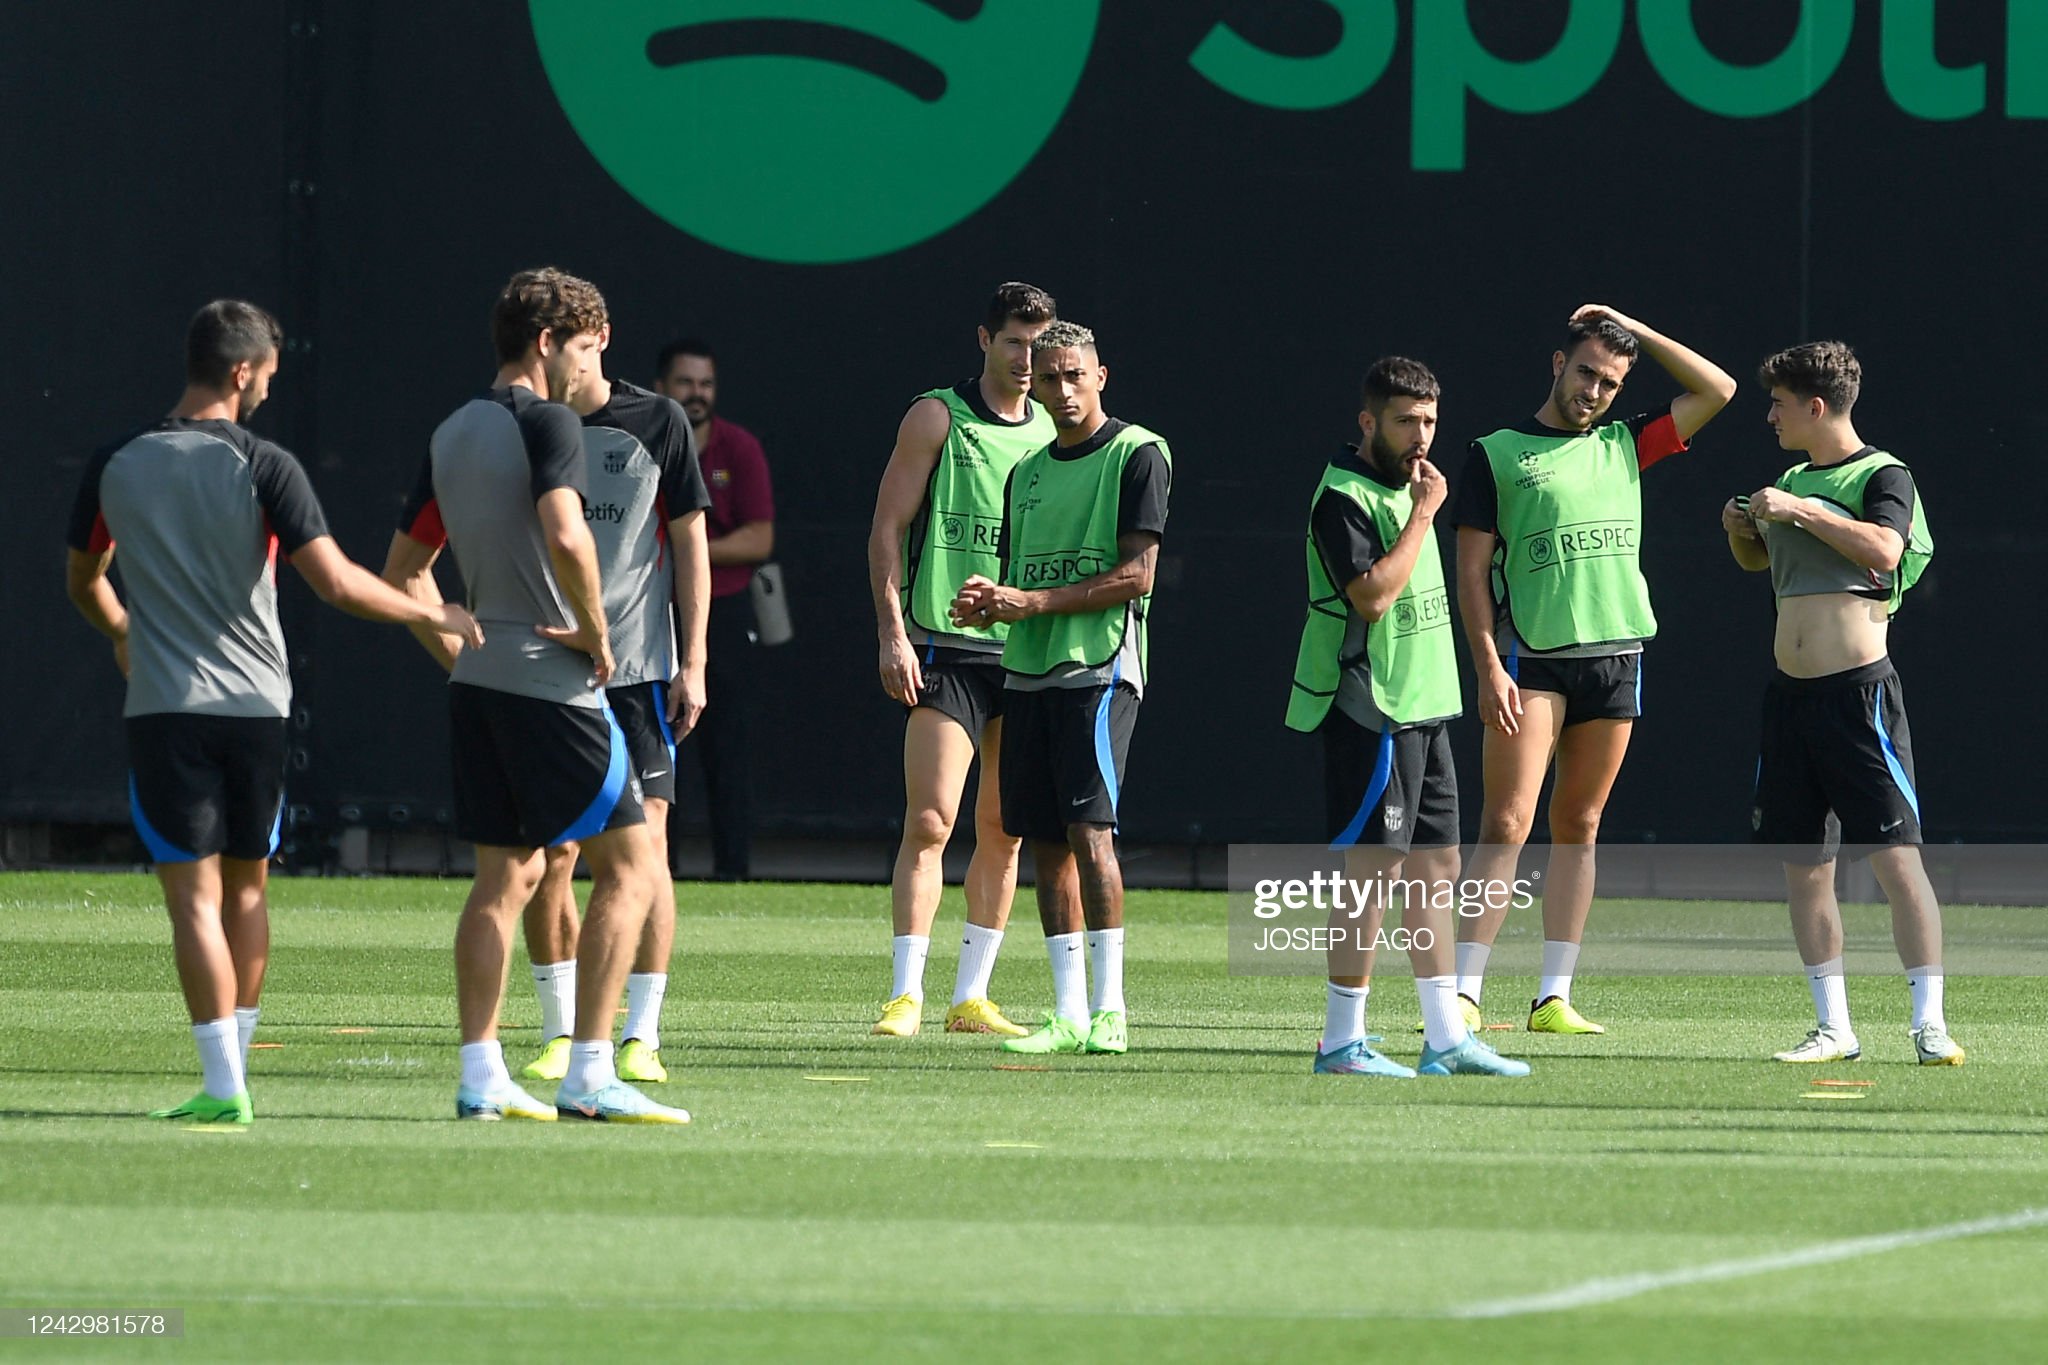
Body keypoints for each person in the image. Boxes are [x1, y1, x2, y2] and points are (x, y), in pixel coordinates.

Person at [64, 299, 483, 1125]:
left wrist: (123, 634)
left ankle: (224, 1086)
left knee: (192, 900)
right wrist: (432, 612)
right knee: (248, 891)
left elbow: (84, 580)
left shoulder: (116, 461)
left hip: (165, 707)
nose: (266, 393)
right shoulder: (265, 464)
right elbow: (334, 582)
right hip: (258, 707)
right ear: (242, 371)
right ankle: (237, 1074)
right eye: (267, 378)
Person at [383, 268, 686, 1124]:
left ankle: (482, 1073)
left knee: (502, 881)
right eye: (584, 346)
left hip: (479, 686)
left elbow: (403, 575)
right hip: (553, 684)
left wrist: (460, 651)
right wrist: (595, 631)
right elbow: (564, 532)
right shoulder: (549, 420)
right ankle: (591, 1070)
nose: (588, 364)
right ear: (546, 343)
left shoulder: (452, 430)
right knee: (632, 865)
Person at [1449, 305, 1735, 1034]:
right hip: (1531, 659)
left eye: (1610, 381)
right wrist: (1487, 666)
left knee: (1579, 823)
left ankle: (1553, 996)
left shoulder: (1623, 441)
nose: (1595, 391)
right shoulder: (1498, 452)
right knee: (1507, 822)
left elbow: (1719, 390)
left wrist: (1631, 325)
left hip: (1615, 658)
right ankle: (1462, 992)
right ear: (1557, 363)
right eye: (1585, 373)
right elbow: (1473, 574)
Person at [1285, 357, 1529, 1078]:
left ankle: (1445, 1035)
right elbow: (1372, 597)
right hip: (1370, 708)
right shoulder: (1343, 496)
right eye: (1405, 421)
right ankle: (1340, 1041)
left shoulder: (1413, 484)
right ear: (1369, 422)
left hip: (1424, 705)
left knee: (1436, 866)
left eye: (1429, 420)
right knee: (1372, 876)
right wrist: (1425, 513)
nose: (1421, 435)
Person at [1723, 341, 1960, 1065]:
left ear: (1816, 406)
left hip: (1857, 699)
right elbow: (1762, 562)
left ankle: (1929, 1022)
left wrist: (1798, 507)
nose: (1770, 415)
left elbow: (1885, 550)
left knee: (1896, 861)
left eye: (1780, 403)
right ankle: (1834, 1026)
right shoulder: (1792, 477)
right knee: (1805, 866)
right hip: (1790, 702)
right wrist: (1744, 531)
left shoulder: (1881, 472)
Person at [951, 321, 1170, 1057]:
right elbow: (1027, 581)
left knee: (1090, 833)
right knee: (1042, 840)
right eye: (1049, 378)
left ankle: (1112, 1011)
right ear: (1033, 385)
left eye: (1075, 375)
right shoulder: (1028, 473)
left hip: (1100, 668)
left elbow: (1137, 577)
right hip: (1028, 671)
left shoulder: (1136, 453)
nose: (1063, 390)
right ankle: (1068, 1012)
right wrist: (991, 601)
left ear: (1101, 375)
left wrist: (1029, 604)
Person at [866, 282, 1057, 1038]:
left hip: (1028, 654)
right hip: (946, 649)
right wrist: (891, 633)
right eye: (1014, 341)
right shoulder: (937, 415)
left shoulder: (1054, 429)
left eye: (1039, 346)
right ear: (985, 339)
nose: (1026, 358)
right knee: (931, 817)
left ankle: (969, 997)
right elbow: (886, 528)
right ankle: (904, 993)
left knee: (1004, 829)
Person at [654, 340, 773, 880]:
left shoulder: (738, 448)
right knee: (658, 748)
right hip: (655, 615)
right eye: (685, 383)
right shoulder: (644, 442)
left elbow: (758, 538)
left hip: (724, 613)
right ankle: (659, 871)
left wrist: (688, 547)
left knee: (727, 752)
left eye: (705, 384)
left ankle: (734, 875)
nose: (696, 394)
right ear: (661, 387)